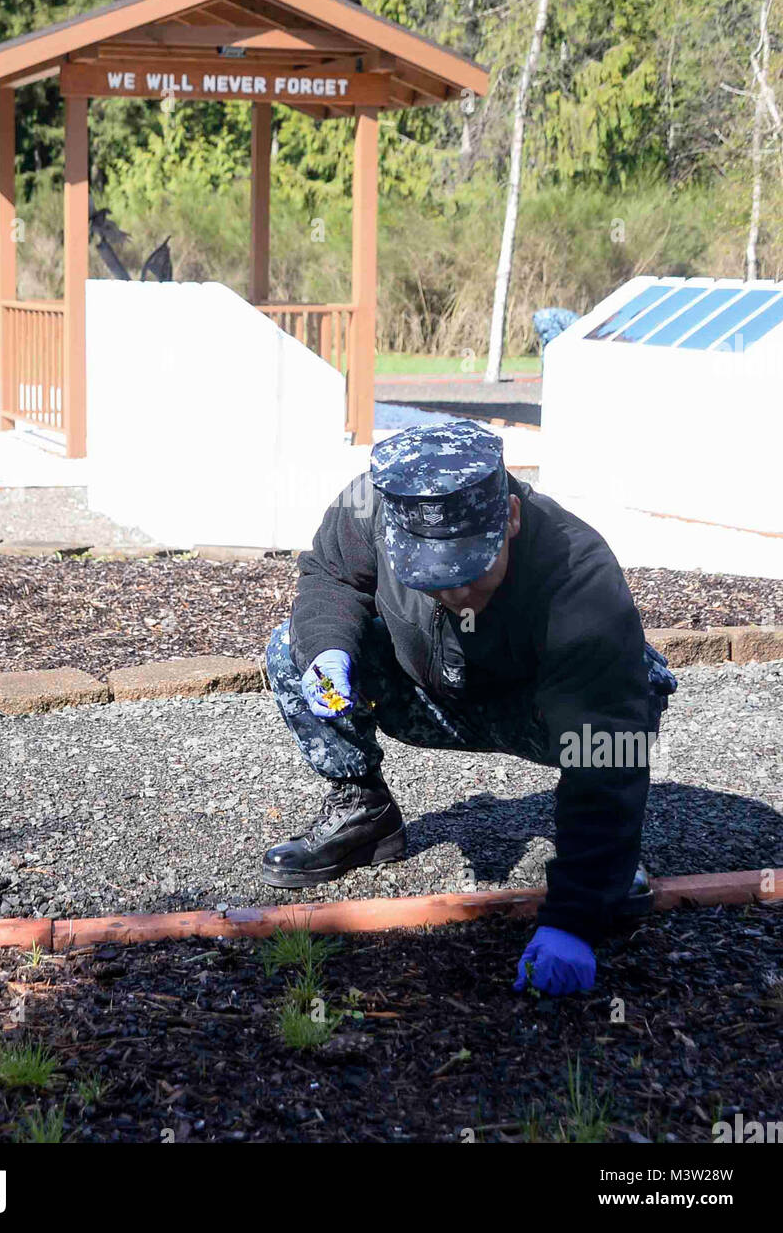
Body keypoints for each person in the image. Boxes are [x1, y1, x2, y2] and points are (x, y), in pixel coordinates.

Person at [263, 420, 677, 997]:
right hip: (427, 695)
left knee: (622, 711)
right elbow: (331, 577)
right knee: (291, 650)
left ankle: (608, 866)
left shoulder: (578, 573)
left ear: (508, 517)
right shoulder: (369, 506)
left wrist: (577, 916)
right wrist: (330, 652)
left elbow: (606, 749)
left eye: (468, 571)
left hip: (536, 711)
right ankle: (364, 814)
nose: (453, 595)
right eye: (428, 576)